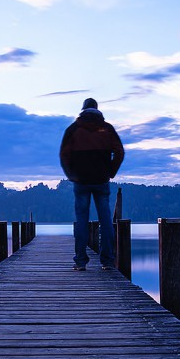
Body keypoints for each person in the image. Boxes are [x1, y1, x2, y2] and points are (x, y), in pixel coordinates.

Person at [59, 97, 125, 271]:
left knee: (82, 221)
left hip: (80, 181)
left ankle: (80, 261)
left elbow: (64, 155)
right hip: (101, 180)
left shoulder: (74, 129)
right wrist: (111, 171)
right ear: (97, 110)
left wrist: (71, 175)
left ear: (83, 110)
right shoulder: (107, 129)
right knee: (105, 220)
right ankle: (107, 261)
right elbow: (119, 151)